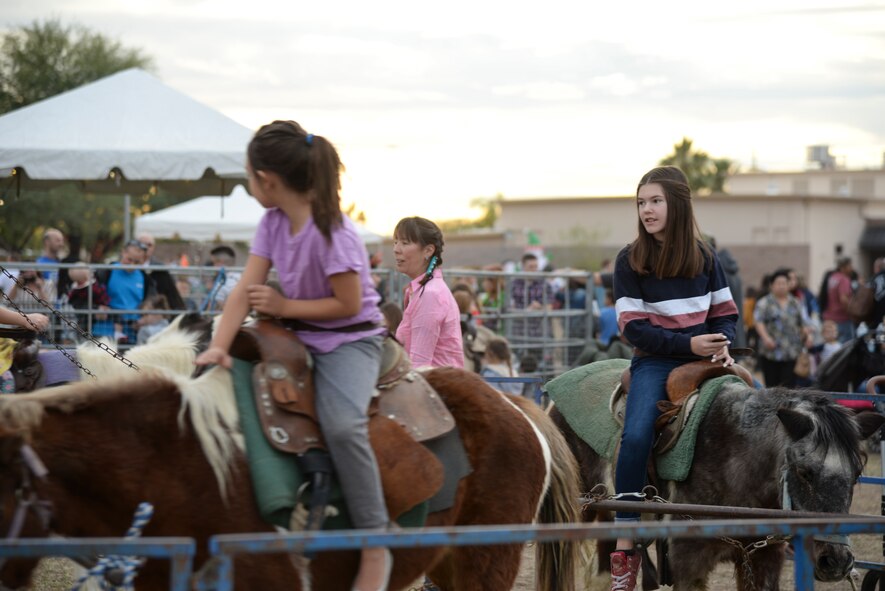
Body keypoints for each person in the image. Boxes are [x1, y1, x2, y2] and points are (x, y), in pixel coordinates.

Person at [194, 120, 391, 591]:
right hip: (298, 335)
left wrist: (283, 306)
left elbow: (346, 304)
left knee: (343, 425)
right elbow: (246, 287)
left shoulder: (337, 234)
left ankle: (376, 539)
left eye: (247, 176)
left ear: (268, 180)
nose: (247, 184)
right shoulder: (272, 223)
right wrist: (219, 347)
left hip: (350, 340)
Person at [610, 165, 738, 590]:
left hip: (709, 360)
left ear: (677, 204)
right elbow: (632, 327)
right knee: (636, 434)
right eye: (642, 202)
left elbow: (725, 313)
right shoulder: (629, 260)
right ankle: (626, 542)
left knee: (758, 417)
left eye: (655, 201)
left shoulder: (705, 257)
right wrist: (688, 346)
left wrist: (723, 343)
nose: (647, 210)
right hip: (656, 361)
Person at [392, 216, 463, 368]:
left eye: (405, 243)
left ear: (428, 250)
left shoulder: (430, 294)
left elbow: (420, 365)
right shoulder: (426, 289)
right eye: (395, 242)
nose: (396, 249)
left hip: (436, 387)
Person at [753, 269, 812, 387]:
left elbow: (804, 322)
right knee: (772, 387)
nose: (781, 286)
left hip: (791, 351)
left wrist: (808, 336)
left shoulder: (796, 303)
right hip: (770, 352)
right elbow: (758, 321)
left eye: (784, 283)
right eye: (778, 283)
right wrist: (766, 338)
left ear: (788, 285)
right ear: (772, 285)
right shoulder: (764, 303)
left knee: (789, 387)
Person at [97, 240, 151, 344]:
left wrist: (144, 317)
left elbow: (148, 301)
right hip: (105, 329)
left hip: (132, 331)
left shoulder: (145, 278)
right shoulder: (107, 271)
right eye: (129, 259)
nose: (132, 265)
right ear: (123, 252)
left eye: (137, 262)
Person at [137, 232, 185, 311]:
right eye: (143, 244)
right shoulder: (128, 267)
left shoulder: (160, 269)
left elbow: (171, 294)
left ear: (153, 248)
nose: (146, 248)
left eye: (149, 245)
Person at [821, 257, 855, 344]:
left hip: (828, 318)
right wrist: (851, 313)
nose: (852, 268)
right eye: (850, 266)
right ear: (843, 267)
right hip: (842, 319)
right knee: (845, 349)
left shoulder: (832, 277)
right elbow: (843, 299)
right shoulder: (844, 279)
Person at [202, 245, 242, 311]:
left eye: (214, 263)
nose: (213, 267)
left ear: (221, 262)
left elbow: (212, 310)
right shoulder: (241, 277)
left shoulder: (221, 284)